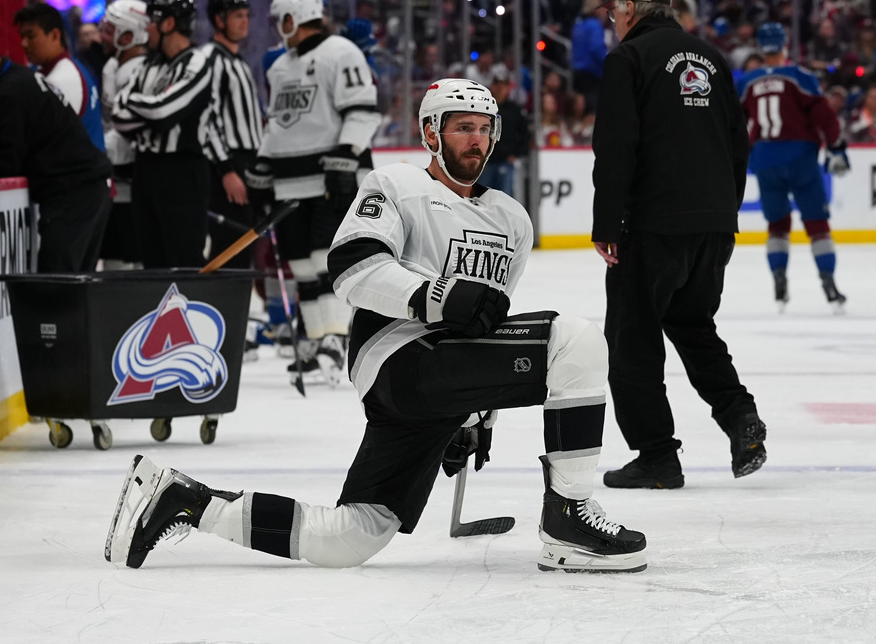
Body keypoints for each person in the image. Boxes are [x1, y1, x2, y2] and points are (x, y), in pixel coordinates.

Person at [105, 78, 648, 574]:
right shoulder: (397, 184)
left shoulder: (512, 219)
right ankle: (569, 519)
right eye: (463, 127)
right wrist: (434, 295)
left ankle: (181, 500)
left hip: (441, 379)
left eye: (484, 129)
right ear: (431, 131)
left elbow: (488, 321)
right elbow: (353, 266)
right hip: (397, 356)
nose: (476, 140)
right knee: (575, 338)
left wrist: (476, 412)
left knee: (353, 536)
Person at [591, 0, 766, 489]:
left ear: (630, 9)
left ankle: (657, 457)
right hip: (712, 226)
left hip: (653, 225)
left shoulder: (628, 59)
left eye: (614, 11)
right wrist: (722, 212)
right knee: (693, 325)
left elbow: (616, 147)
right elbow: (739, 143)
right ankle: (740, 418)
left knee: (632, 339)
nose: (613, 20)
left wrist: (607, 224)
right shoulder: (711, 57)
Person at [243, 0, 381, 384]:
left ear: (293, 17)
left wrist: (347, 154)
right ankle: (315, 338)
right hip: (289, 181)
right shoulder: (279, 66)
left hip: (327, 177)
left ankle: (336, 339)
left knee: (325, 258)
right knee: (300, 264)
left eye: (280, 19)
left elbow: (363, 111)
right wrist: (264, 162)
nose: (277, 27)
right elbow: (278, 123)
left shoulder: (341, 53)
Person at [0, 33, 112, 273]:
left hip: (72, 193)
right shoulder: (22, 78)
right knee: (76, 284)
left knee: (58, 285)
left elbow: (2, 165)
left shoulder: (7, 94)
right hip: (89, 188)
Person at [737, 22, 850, 312]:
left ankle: (779, 279)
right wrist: (836, 149)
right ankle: (829, 282)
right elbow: (826, 118)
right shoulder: (801, 77)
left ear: (761, 48)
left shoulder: (746, 82)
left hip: (764, 159)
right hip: (800, 157)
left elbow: (733, 126)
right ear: (784, 45)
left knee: (777, 225)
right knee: (817, 224)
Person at [112, 0, 215, 268]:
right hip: (145, 170)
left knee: (182, 258)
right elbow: (118, 116)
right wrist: (150, 107)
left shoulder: (197, 62)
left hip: (182, 172)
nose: (146, 29)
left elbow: (163, 112)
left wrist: (135, 102)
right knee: (151, 259)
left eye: (151, 22)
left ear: (169, 24)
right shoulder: (147, 65)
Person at [199, 0, 262, 270]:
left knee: (245, 244)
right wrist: (226, 169)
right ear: (219, 20)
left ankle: (234, 312)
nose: (245, 21)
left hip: (246, 161)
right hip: (228, 164)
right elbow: (206, 117)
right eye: (238, 16)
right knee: (230, 245)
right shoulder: (210, 58)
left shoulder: (237, 60)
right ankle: (221, 311)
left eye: (247, 16)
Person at [98, 0, 150, 269]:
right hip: (115, 181)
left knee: (133, 259)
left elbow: (128, 128)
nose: (101, 36)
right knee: (114, 257)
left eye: (109, 30)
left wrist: (95, 149)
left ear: (128, 36)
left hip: (133, 180)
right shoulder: (113, 66)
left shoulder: (140, 71)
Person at [14, 3, 105, 151]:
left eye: (31, 36)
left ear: (55, 35)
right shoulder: (65, 67)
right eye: (22, 36)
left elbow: (42, 142)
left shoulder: (63, 79)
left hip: (79, 171)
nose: (24, 44)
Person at [477, 64, 528, 197]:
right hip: (485, 162)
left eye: (503, 85)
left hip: (505, 161)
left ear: (508, 88)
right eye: (497, 84)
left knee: (505, 198)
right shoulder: (483, 108)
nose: (500, 88)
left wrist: (516, 154)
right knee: (482, 197)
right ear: (492, 86)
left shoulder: (515, 110)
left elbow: (525, 134)